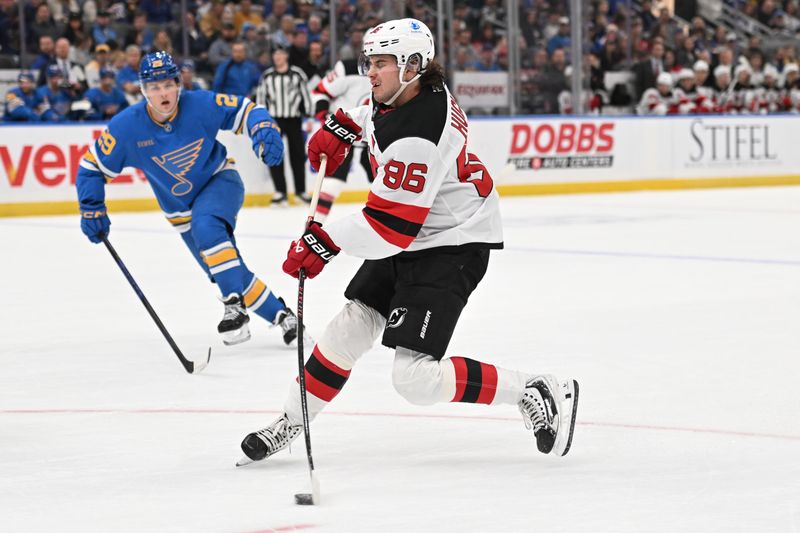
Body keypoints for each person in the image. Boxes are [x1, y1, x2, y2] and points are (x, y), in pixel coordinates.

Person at [239, 19, 579, 465]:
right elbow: (374, 115)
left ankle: (533, 387)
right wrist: (341, 127)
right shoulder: (406, 92)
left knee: (414, 379)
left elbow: (387, 229)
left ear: (413, 65)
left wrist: (323, 242)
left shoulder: (420, 134)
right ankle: (291, 419)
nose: (371, 73)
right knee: (349, 327)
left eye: (381, 63)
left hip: (451, 243)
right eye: (370, 62)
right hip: (417, 230)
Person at [76, 52, 308, 348]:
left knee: (208, 229)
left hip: (219, 180)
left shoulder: (200, 104)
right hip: (179, 212)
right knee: (224, 268)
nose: (163, 93)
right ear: (143, 90)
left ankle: (232, 305)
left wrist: (262, 127)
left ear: (178, 84)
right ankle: (282, 316)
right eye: (155, 87)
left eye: (168, 84)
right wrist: (91, 207)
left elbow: (246, 109)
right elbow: (90, 168)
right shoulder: (126, 128)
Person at [308, 58, 373, 222]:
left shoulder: (401, 73)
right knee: (331, 185)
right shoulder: (348, 68)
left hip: (374, 137)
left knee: (388, 187)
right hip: (344, 134)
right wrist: (326, 120)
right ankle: (311, 232)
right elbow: (319, 92)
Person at [255, 45, 313, 205]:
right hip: (274, 120)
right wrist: (261, 119)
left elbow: (306, 95)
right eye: (275, 54)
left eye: (280, 54)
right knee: (274, 154)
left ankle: (300, 191)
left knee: (298, 156)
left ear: (286, 56)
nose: (277, 57)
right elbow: (261, 99)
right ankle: (280, 192)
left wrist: (309, 117)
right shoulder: (267, 76)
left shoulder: (297, 74)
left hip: (294, 119)